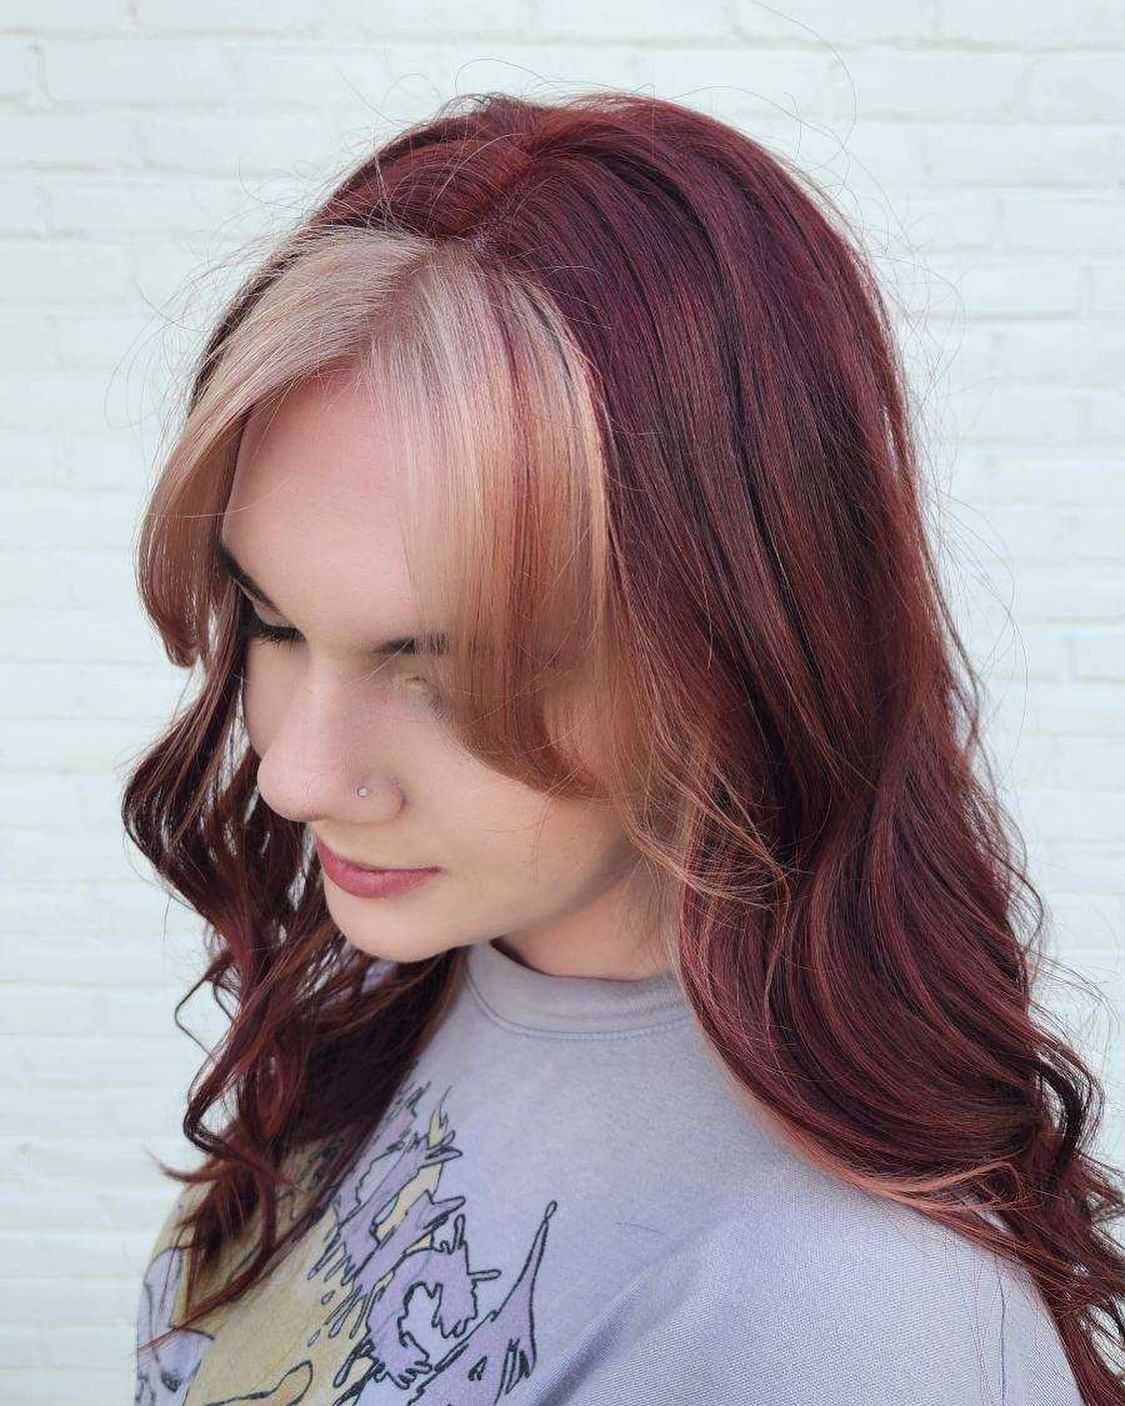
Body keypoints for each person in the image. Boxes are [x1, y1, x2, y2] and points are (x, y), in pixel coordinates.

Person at [127, 90, 1120, 1404]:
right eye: (268, 620)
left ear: (734, 643)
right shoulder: (404, 988)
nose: (298, 775)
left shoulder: (858, 1321)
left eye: (440, 665)